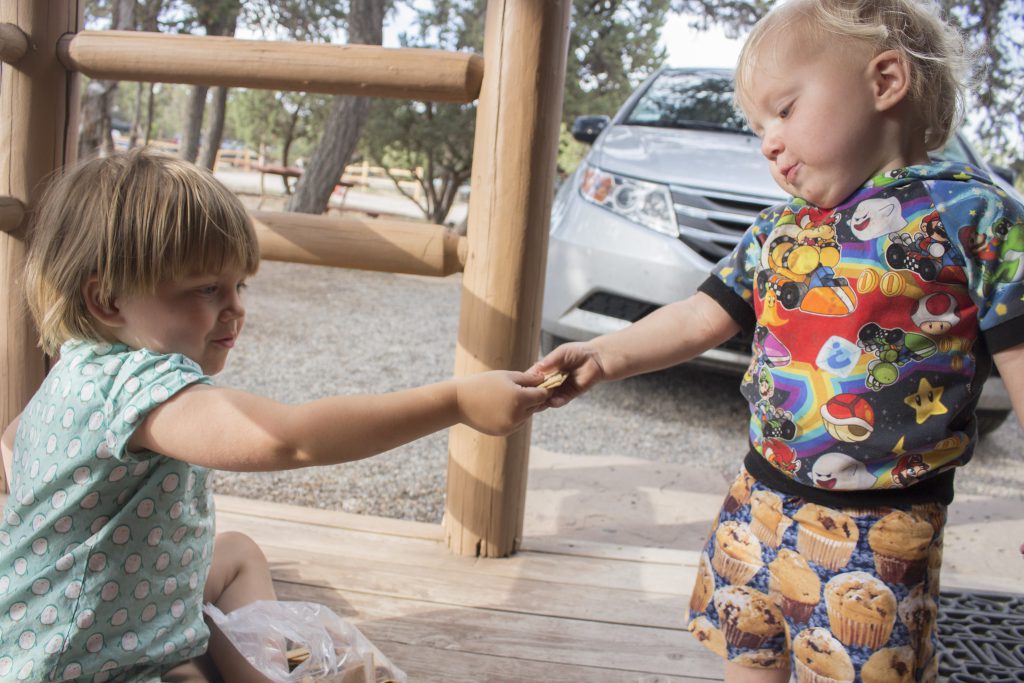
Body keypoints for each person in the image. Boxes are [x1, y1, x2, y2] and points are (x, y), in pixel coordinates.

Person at [532, 1, 1024, 681]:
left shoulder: (976, 217)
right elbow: (700, 316)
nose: (768, 142)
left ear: (885, 81)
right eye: (759, 127)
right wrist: (604, 354)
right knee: (749, 647)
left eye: (785, 111)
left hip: (880, 525)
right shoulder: (779, 231)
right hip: (757, 498)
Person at [0, 148, 551, 683]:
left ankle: (250, 665)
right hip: (76, 663)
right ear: (107, 300)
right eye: (207, 288)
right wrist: (455, 402)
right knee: (192, 664)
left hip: (54, 624)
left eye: (239, 285)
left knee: (238, 554)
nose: (237, 308)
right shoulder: (141, 390)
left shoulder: (81, 366)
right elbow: (288, 438)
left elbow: (12, 439)